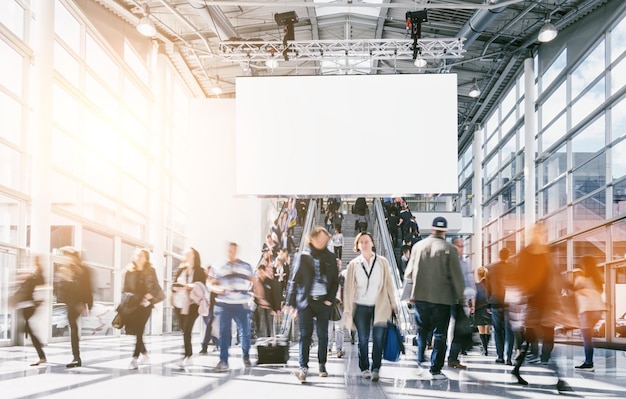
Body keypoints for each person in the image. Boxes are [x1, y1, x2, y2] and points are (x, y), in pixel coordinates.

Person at [511, 223, 576, 391]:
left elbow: (555, 274)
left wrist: (568, 287)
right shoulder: (526, 253)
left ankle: (517, 370)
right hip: (533, 303)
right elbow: (518, 276)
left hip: (545, 303)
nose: (542, 235)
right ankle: (560, 379)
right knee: (539, 339)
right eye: (540, 232)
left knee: (535, 340)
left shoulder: (545, 253)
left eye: (544, 232)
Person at [406, 217, 465, 380]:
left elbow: (408, 273)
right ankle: (435, 370)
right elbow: (457, 277)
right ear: (445, 231)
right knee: (440, 334)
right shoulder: (449, 249)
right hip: (442, 299)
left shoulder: (418, 247)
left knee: (422, 331)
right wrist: (461, 298)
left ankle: (419, 361)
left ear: (432, 229)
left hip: (421, 297)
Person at [286, 226, 338, 383]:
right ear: (312, 238)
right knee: (305, 335)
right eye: (321, 238)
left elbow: (335, 281)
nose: (324, 241)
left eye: (326, 238)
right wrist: (291, 304)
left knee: (323, 335)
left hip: (323, 302)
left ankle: (322, 365)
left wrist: (330, 299)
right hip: (306, 303)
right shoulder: (303, 256)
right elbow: (293, 280)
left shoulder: (330, 257)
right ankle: (303, 367)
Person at [343, 232, 398, 382]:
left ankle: (376, 368)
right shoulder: (354, 264)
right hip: (360, 306)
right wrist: (347, 307)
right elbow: (347, 288)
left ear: (372, 243)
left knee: (379, 338)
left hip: (380, 305)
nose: (364, 244)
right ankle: (364, 367)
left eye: (366, 241)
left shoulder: (382, 262)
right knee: (363, 339)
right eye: (361, 242)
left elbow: (389, 284)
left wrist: (393, 303)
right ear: (357, 245)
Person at [209, 242, 266, 371]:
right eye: (229, 251)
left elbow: (255, 281)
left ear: (236, 251)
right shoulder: (220, 267)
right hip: (224, 304)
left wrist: (260, 296)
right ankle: (223, 361)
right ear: (226, 252)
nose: (231, 253)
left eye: (233, 251)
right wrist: (218, 289)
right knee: (224, 333)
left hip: (241, 304)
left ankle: (246, 356)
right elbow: (211, 284)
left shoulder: (245, 266)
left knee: (245, 332)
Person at [123, 248, 164, 370]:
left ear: (146, 258)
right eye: (137, 255)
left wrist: (149, 295)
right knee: (136, 331)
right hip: (134, 304)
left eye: (141, 255)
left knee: (139, 330)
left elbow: (156, 287)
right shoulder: (129, 271)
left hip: (146, 305)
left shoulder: (151, 271)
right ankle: (145, 354)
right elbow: (125, 289)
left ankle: (134, 358)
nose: (139, 257)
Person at [55, 246, 93, 368]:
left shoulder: (83, 270)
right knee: (73, 327)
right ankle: (76, 357)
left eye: (70, 256)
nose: (69, 258)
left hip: (78, 302)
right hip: (70, 302)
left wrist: (87, 305)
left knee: (73, 327)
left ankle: (76, 357)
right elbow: (60, 288)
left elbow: (88, 288)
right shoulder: (65, 269)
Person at [171, 247, 206, 367]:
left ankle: (188, 356)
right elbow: (173, 286)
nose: (186, 257)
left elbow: (202, 287)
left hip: (193, 305)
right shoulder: (180, 270)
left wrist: (191, 286)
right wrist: (180, 287)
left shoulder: (200, 271)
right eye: (186, 255)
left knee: (187, 330)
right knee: (184, 331)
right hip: (179, 304)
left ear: (194, 256)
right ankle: (187, 355)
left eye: (189, 255)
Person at [573, 256, 605, 371]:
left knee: (587, 338)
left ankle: (588, 362)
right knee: (588, 337)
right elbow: (600, 292)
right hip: (598, 310)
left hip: (587, 310)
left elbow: (573, 290)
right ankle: (588, 360)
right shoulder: (598, 278)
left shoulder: (581, 279)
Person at [13, 256, 46, 366]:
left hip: (29, 308)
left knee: (27, 330)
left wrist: (38, 264)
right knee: (27, 330)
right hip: (25, 308)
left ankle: (41, 356)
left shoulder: (30, 279)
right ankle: (41, 354)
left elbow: (41, 278)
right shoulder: (24, 283)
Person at [447, 237, 475, 369]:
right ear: (453, 246)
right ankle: (446, 358)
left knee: (459, 330)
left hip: (458, 300)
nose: (462, 248)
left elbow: (469, 282)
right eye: (460, 246)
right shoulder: (446, 261)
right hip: (446, 299)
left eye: (463, 246)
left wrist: (471, 299)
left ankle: (453, 358)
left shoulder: (464, 264)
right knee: (442, 330)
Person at [488, 248, 514, 365]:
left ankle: (500, 356)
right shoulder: (513, 269)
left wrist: (488, 302)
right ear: (508, 256)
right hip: (510, 303)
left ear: (499, 255)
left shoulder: (491, 269)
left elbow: (488, 287)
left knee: (497, 331)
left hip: (495, 302)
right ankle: (508, 357)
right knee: (509, 331)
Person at [256, 264, 282, 337]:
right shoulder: (258, 282)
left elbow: (276, 296)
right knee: (262, 327)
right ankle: (264, 342)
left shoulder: (272, 282)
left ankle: (271, 342)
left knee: (271, 327)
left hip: (270, 309)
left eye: (261, 272)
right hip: (260, 308)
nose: (260, 274)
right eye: (258, 272)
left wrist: (276, 309)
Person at [328, 259, 345, 359]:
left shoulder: (342, 277)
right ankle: (329, 348)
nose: (339, 266)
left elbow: (343, 289)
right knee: (329, 328)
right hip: (330, 304)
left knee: (339, 328)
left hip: (339, 304)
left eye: (340, 265)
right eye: (337, 264)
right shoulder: (329, 276)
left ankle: (339, 349)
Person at [474, 266, 492, 356]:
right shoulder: (490, 285)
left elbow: (475, 297)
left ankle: (484, 348)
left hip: (479, 308)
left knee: (481, 330)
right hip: (488, 307)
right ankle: (486, 347)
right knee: (487, 329)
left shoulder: (477, 285)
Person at [200, 265, 218, 354]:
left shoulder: (215, 284)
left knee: (209, 326)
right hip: (205, 308)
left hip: (213, 308)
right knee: (209, 326)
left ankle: (205, 346)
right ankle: (215, 342)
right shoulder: (204, 282)